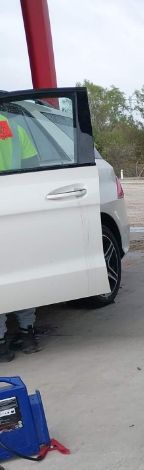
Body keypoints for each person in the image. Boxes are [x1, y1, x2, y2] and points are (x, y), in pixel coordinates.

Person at [1, 110, 41, 362]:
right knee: (21, 272)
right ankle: (27, 333)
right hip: (15, 207)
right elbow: (34, 168)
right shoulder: (15, 128)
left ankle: (1, 343)